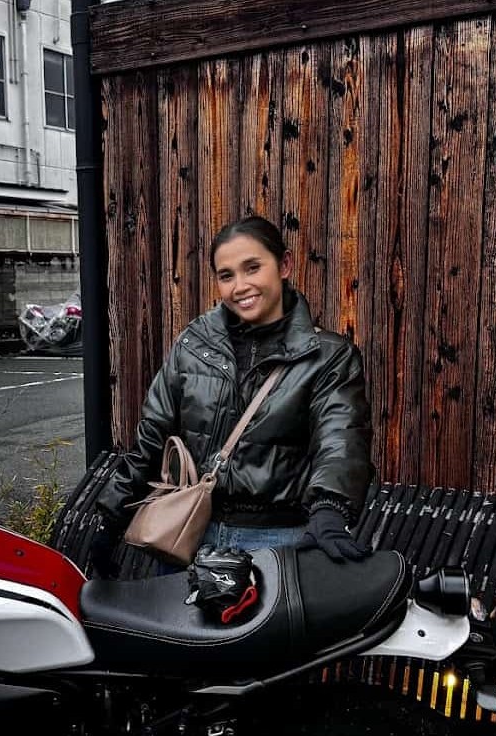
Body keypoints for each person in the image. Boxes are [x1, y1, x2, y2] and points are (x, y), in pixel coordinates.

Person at [92, 214, 374, 576]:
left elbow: (341, 436)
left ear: (284, 264)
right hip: (187, 539)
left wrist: (330, 510)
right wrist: (111, 520)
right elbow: (152, 434)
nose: (240, 285)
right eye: (227, 275)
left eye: (252, 267)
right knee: (179, 634)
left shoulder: (329, 355)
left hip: (276, 544)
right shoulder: (194, 345)